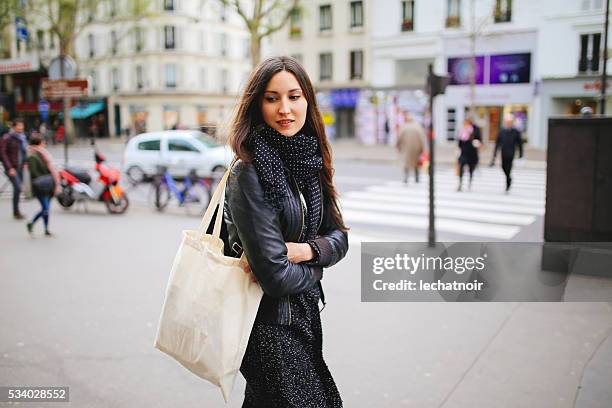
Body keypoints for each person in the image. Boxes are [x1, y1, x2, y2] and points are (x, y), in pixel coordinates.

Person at [223, 56, 349, 407]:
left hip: (305, 318)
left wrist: (305, 251)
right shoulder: (248, 173)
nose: (285, 109)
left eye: (294, 96)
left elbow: (340, 237)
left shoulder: (309, 161)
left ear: (307, 101)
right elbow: (275, 277)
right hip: (268, 328)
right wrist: (320, 264)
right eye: (272, 98)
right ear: (257, 104)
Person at [26, 133, 60, 236]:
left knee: (46, 209)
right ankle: (32, 223)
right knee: (45, 208)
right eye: (43, 142)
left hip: (49, 184)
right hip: (40, 186)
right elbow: (34, 173)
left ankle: (46, 228)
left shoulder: (44, 154)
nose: (45, 143)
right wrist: (48, 177)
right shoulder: (32, 156)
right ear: (39, 143)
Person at [0, 118, 28, 219]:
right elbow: (3, 154)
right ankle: (16, 212)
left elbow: (23, 152)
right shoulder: (7, 138)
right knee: (17, 187)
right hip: (11, 167)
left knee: (18, 188)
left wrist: (25, 162)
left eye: (22, 126)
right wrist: (9, 168)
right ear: (13, 127)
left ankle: (16, 211)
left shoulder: (22, 138)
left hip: (19, 167)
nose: (21, 128)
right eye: (19, 126)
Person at [491, 114, 523, 192]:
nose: (508, 123)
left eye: (509, 122)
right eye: (507, 122)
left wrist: (521, 154)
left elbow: (520, 143)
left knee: (509, 167)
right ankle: (509, 178)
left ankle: (508, 181)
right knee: (503, 167)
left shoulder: (515, 132)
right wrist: (495, 154)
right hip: (503, 152)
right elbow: (497, 143)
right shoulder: (502, 131)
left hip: (511, 152)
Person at [396, 111, 426, 184]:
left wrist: (398, 146)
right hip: (416, 148)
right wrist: (422, 148)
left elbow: (399, 138)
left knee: (406, 163)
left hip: (406, 148)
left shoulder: (404, 127)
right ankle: (417, 178)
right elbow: (422, 138)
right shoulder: (417, 127)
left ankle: (406, 178)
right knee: (416, 163)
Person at [457, 118, 482, 191]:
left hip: (472, 153)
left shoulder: (474, 130)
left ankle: (469, 183)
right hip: (463, 153)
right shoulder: (462, 131)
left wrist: (475, 142)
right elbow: (459, 143)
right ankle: (460, 183)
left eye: (466, 123)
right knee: (461, 167)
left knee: (471, 169)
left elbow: (479, 140)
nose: (465, 125)